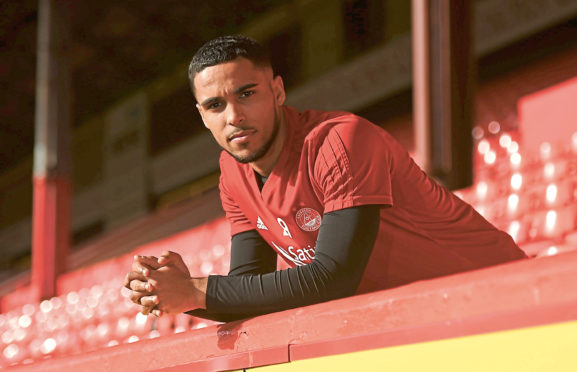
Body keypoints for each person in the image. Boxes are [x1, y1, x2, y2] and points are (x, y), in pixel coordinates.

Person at [124, 35, 527, 321]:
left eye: (247, 93)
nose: (234, 116)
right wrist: (172, 295)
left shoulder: (340, 140)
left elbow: (334, 277)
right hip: (424, 316)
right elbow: (247, 287)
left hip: (505, 296)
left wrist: (195, 290)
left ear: (278, 91)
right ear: (202, 116)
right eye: (215, 105)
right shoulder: (232, 175)